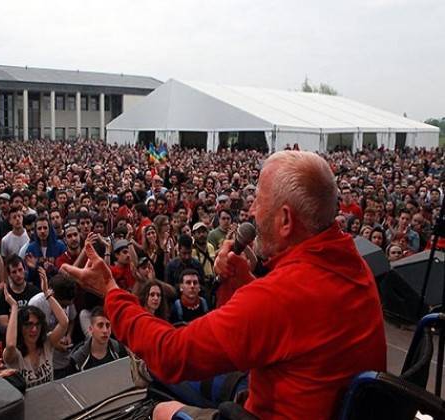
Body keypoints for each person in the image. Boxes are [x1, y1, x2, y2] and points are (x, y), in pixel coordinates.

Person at [61, 151, 386, 419]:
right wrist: (245, 279)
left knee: (161, 408)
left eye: (259, 202)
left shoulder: (278, 297)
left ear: (286, 220)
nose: (252, 213)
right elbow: (294, 322)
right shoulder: (353, 264)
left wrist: (111, 292)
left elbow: (172, 355)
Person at [3, 267, 69, 388]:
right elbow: (11, 345)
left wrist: (47, 295)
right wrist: (14, 307)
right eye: (28, 325)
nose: (34, 330)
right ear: (20, 327)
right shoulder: (14, 355)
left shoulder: (47, 344)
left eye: (37, 325)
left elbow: (64, 322)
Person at [69, 306, 127, 372]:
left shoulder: (120, 351)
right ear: (91, 329)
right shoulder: (78, 359)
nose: (105, 330)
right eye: (100, 325)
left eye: (108, 325)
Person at [0, 255, 41, 326]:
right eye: (14, 272)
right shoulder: (3, 296)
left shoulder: (35, 292)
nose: (18, 275)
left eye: (20, 270)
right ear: (9, 274)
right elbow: (3, 325)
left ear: (24, 269)